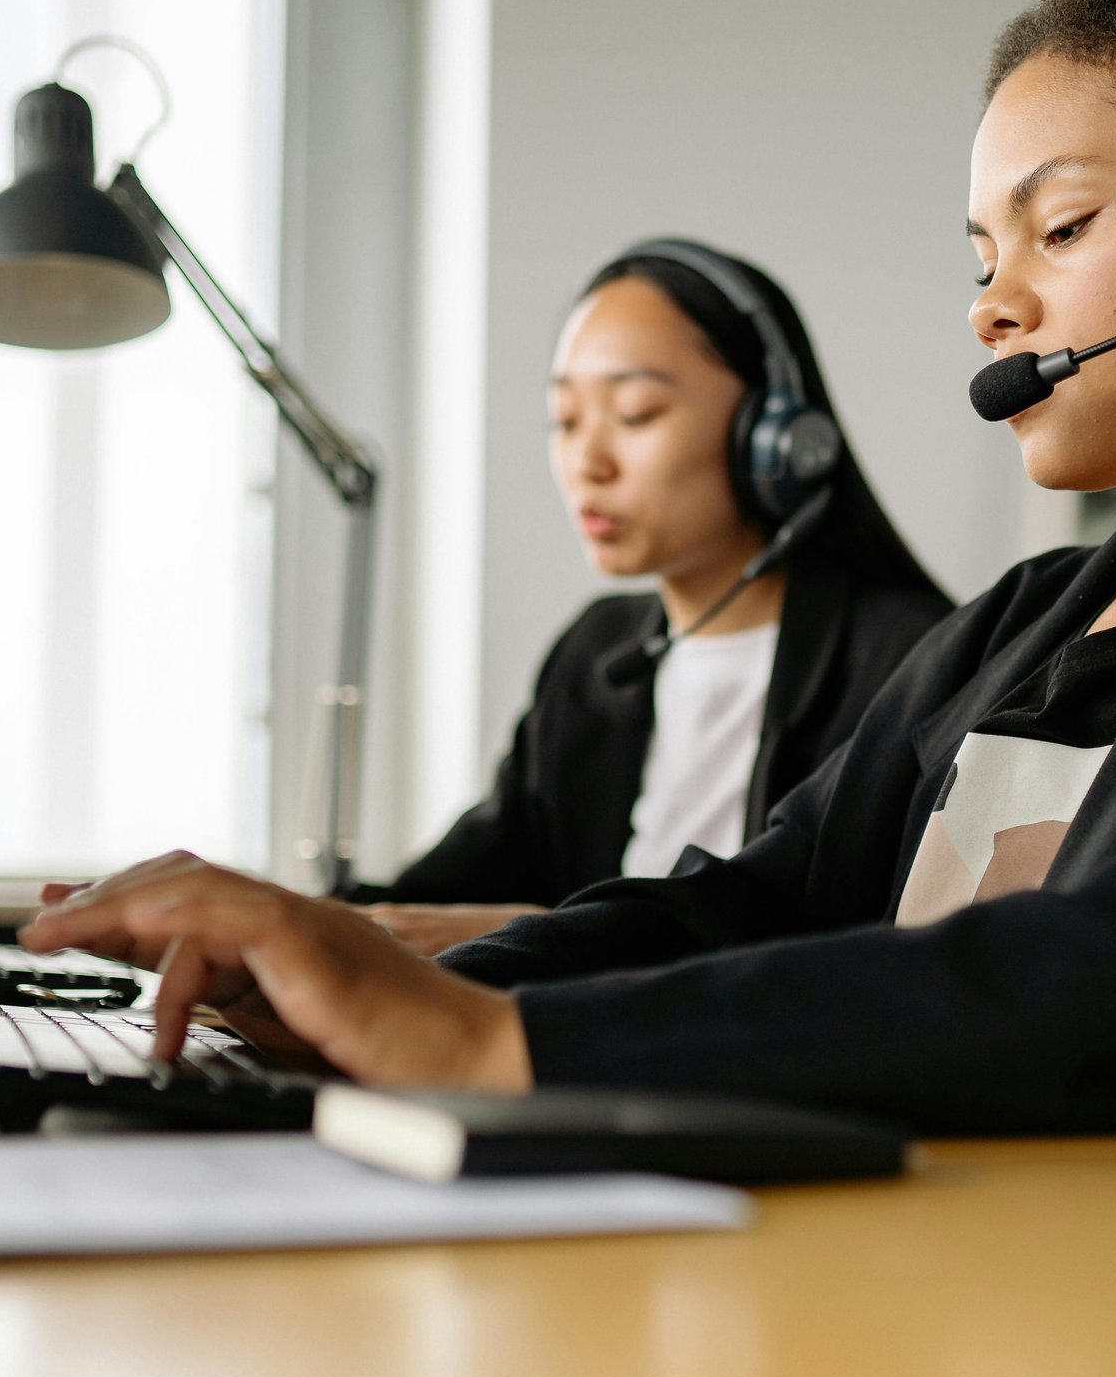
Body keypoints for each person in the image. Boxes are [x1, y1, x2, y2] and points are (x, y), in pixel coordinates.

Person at [27, 0, 1116, 1188]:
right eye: (982, 249)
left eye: (1065, 225)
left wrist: (497, 1037)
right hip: (947, 1277)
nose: (997, 302)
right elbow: (750, 910)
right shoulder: (1030, 623)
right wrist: (365, 975)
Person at [343, 240, 948, 956]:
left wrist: (539, 938)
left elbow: (847, 958)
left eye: (634, 413)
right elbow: (448, 887)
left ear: (776, 438)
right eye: (565, 419)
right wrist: (286, 921)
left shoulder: (913, 664)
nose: (586, 463)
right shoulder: (600, 652)